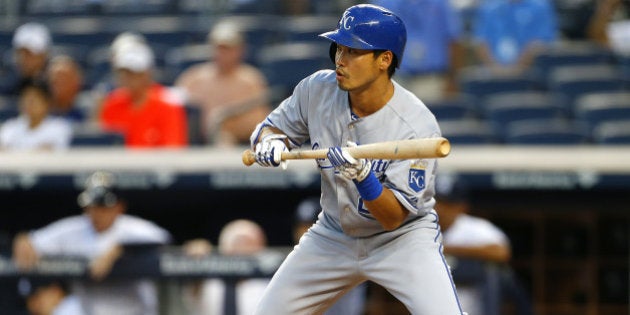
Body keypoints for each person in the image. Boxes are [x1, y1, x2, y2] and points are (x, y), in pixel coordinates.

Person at [248, 4, 465, 314]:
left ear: (384, 60)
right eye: (339, 48)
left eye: (353, 51)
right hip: (334, 234)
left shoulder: (417, 124)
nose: (340, 59)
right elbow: (269, 128)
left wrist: (364, 179)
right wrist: (270, 140)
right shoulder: (317, 89)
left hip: (401, 240)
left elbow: (392, 218)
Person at [12, 171, 172, 315]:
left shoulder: (134, 228)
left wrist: (119, 250)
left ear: (119, 207)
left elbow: (163, 241)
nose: (96, 213)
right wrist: (23, 240)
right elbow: (30, 240)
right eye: (92, 206)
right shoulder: (74, 229)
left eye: (103, 207)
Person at [175, 19, 271, 146]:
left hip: (239, 147)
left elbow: (261, 123)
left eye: (229, 49)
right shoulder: (192, 78)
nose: (223, 54)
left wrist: (226, 125)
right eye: (219, 48)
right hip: (195, 146)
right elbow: (175, 114)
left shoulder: (252, 80)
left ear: (240, 50)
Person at [434, 174, 511, 315]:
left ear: (461, 207)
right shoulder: (420, 228)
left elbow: (501, 252)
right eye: (436, 202)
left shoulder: (474, 228)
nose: (439, 209)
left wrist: (445, 248)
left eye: (447, 204)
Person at [370, 0, 466, 101]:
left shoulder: (441, 3)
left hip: (432, 79)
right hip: (395, 79)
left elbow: (454, 41)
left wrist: (453, 79)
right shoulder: (383, 3)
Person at [99, 41, 188, 147]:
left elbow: (173, 149)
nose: (127, 78)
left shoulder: (169, 107)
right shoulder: (112, 104)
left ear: (147, 73)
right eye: (123, 72)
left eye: (133, 73)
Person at [293, 197, 367, 315]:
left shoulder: (345, 256)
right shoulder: (295, 259)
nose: (304, 233)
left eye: (311, 227)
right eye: (302, 227)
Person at [182, 219, 270, 315]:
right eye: (237, 242)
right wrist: (196, 259)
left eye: (248, 243)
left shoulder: (268, 284)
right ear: (222, 247)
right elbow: (194, 287)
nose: (241, 249)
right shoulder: (208, 282)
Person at [470, 0, 558, 75]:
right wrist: (495, 68)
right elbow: (480, 42)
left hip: (528, 74)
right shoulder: (488, 7)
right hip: (492, 73)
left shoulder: (540, 6)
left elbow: (539, 44)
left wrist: (516, 69)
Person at [0, 81, 72, 151]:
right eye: (25, 99)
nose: (28, 104)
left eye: (33, 100)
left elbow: (50, 153)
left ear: (46, 102)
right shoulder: (9, 127)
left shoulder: (59, 127)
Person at [1, 22, 51, 96]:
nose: (24, 58)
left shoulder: (54, 85)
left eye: (30, 54)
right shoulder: (7, 82)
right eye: (20, 53)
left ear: (44, 55)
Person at [46, 55, 87, 123]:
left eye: (64, 78)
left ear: (77, 81)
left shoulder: (88, 110)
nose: (59, 82)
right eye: (55, 79)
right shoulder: (38, 110)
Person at [17, 277, 85, 315]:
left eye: (37, 297)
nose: (33, 306)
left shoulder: (71, 308)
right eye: (28, 302)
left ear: (56, 291)